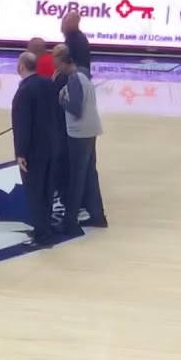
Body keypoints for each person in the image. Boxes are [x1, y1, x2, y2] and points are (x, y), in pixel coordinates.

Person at [11, 52, 62, 249]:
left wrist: (21, 153)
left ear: (22, 67)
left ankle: (42, 236)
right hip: (52, 146)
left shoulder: (24, 90)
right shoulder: (49, 83)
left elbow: (22, 124)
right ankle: (45, 227)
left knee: (35, 192)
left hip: (34, 151)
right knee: (48, 191)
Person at [55, 45, 107, 234]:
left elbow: (75, 108)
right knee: (90, 175)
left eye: (56, 61)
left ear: (63, 61)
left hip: (79, 133)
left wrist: (62, 99)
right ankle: (97, 215)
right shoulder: (83, 74)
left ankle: (69, 221)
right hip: (91, 130)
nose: (55, 65)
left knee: (76, 178)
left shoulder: (74, 79)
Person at [59, 10, 92, 74]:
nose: (63, 26)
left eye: (65, 23)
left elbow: (67, 58)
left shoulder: (75, 38)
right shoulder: (76, 37)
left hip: (76, 73)